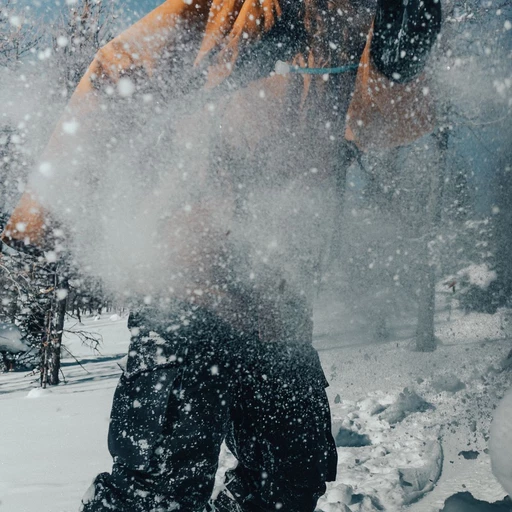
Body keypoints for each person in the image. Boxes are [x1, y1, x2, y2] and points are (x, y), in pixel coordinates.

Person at [0, 0, 442, 510]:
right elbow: (114, 73)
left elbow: (380, 128)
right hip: (187, 277)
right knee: (160, 482)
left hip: (282, 290)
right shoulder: (222, 9)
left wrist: (398, 65)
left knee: (291, 475)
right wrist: (47, 213)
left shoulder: (359, 18)